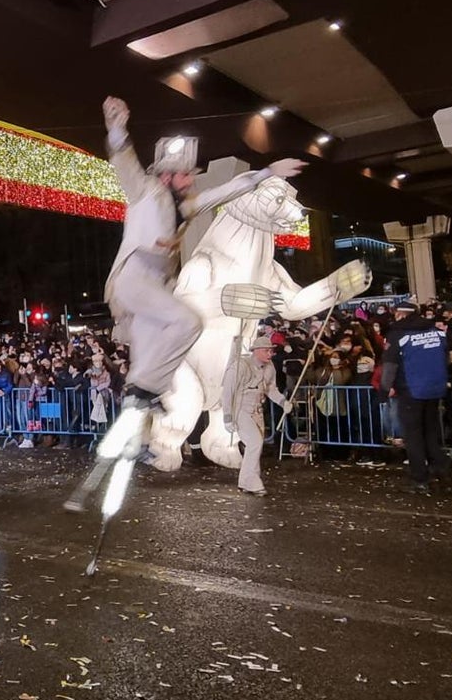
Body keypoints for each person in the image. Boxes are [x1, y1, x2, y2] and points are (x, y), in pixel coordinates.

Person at [99, 97, 307, 412]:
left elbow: (227, 191)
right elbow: (124, 162)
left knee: (150, 352)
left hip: (156, 286)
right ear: (166, 176)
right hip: (135, 277)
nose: (192, 179)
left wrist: (267, 172)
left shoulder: (189, 206)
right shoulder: (144, 190)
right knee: (188, 322)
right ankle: (145, 389)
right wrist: (116, 127)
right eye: (186, 175)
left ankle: (138, 411)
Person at [381, 302, 450, 495]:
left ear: (401, 315)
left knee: (413, 437)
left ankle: (420, 478)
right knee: (430, 431)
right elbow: (446, 358)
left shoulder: (398, 335)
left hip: (411, 390)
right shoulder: (436, 332)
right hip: (435, 389)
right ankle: (440, 468)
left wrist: (383, 390)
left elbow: (390, 365)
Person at [222, 336, 287, 496]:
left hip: (257, 410)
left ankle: (246, 480)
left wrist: (282, 401)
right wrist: (228, 416)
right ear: (256, 351)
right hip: (241, 409)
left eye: (271, 350)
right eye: (266, 350)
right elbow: (227, 392)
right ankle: (252, 482)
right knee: (255, 443)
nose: (270, 354)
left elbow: (270, 388)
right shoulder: (241, 366)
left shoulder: (270, 367)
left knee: (255, 446)